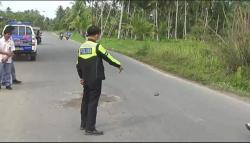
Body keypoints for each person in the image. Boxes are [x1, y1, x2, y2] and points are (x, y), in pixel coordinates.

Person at [76, 25, 123, 135]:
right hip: (95, 79)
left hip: (86, 79)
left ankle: (83, 124)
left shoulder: (81, 47)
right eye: (99, 34)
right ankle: (90, 128)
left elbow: (78, 65)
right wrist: (119, 65)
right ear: (96, 34)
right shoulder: (97, 47)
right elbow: (109, 57)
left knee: (85, 101)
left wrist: (81, 77)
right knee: (93, 102)